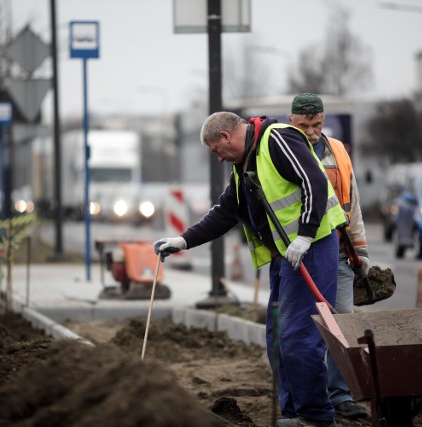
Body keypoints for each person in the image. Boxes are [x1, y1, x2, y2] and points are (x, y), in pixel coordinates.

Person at [154, 112, 347, 427]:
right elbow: (226, 212)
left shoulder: (277, 139)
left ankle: (316, 417)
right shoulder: (244, 165)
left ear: (227, 137)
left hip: (310, 248)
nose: (218, 158)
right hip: (286, 255)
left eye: (217, 150)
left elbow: (314, 181)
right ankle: (294, 413)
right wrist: (183, 240)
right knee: (277, 339)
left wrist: (305, 236)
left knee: (298, 337)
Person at [289, 93, 370, 419]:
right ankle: (306, 399)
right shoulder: (283, 150)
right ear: (291, 120)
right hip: (299, 256)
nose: (311, 131)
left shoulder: (337, 151)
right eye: (304, 125)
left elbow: (351, 203)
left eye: (317, 124)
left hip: (337, 253)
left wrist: (359, 248)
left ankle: (340, 396)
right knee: (303, 330)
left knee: (343, 325)